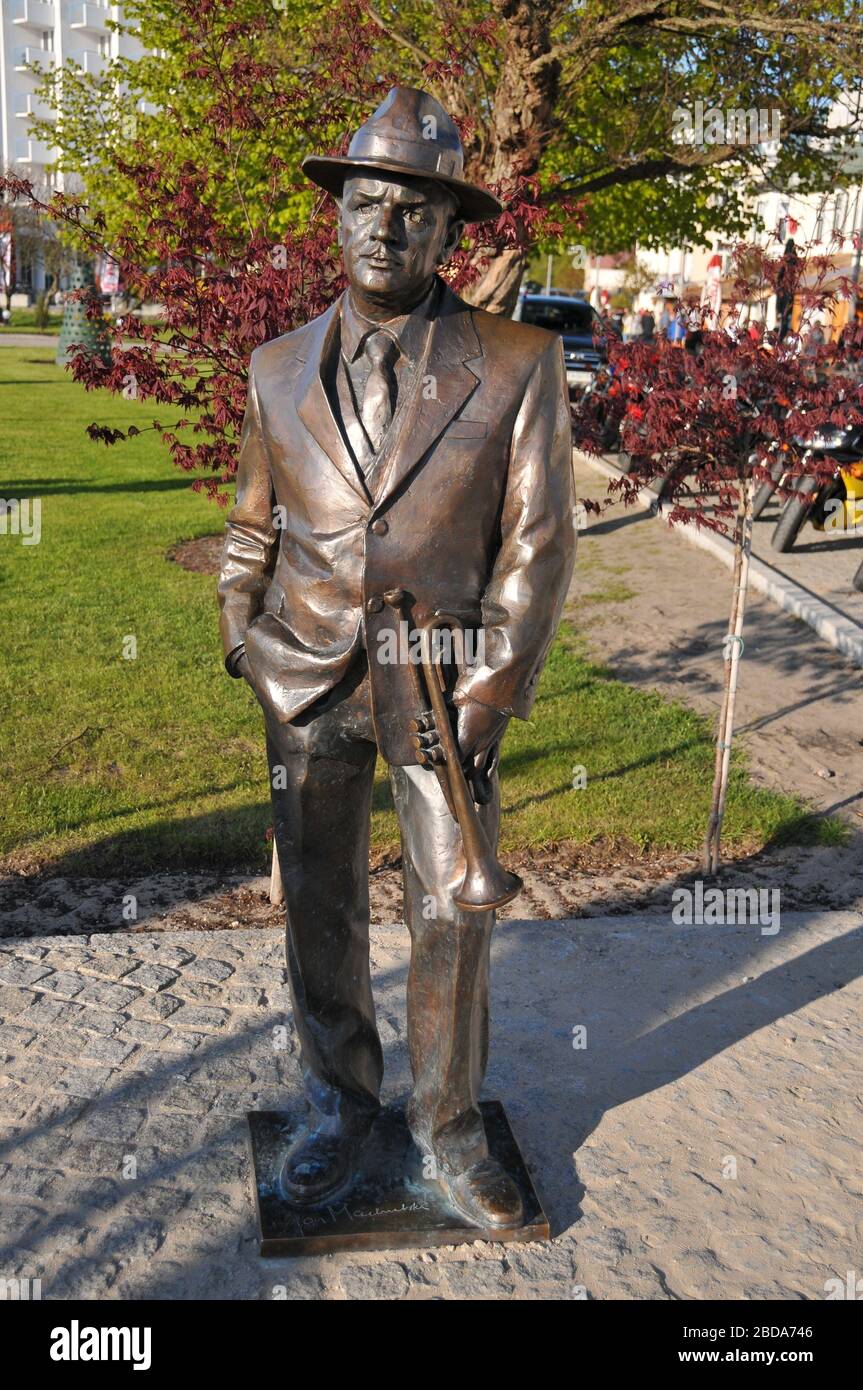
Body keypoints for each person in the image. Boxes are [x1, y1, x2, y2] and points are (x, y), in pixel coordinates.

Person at [218, 88, 576, 1228]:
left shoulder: (517, 363)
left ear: (446, 231)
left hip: (441, 688)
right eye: (367, 203)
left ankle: (448, 1126)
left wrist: (490, 690)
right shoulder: (277, 368)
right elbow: (248, 530)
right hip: (306, 680)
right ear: (337, 216)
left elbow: (539, 543)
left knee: (450, 916)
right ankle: (338, 1104)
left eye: (412, 210)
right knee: (317, 912)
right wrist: (244, 639)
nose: (385, 227)